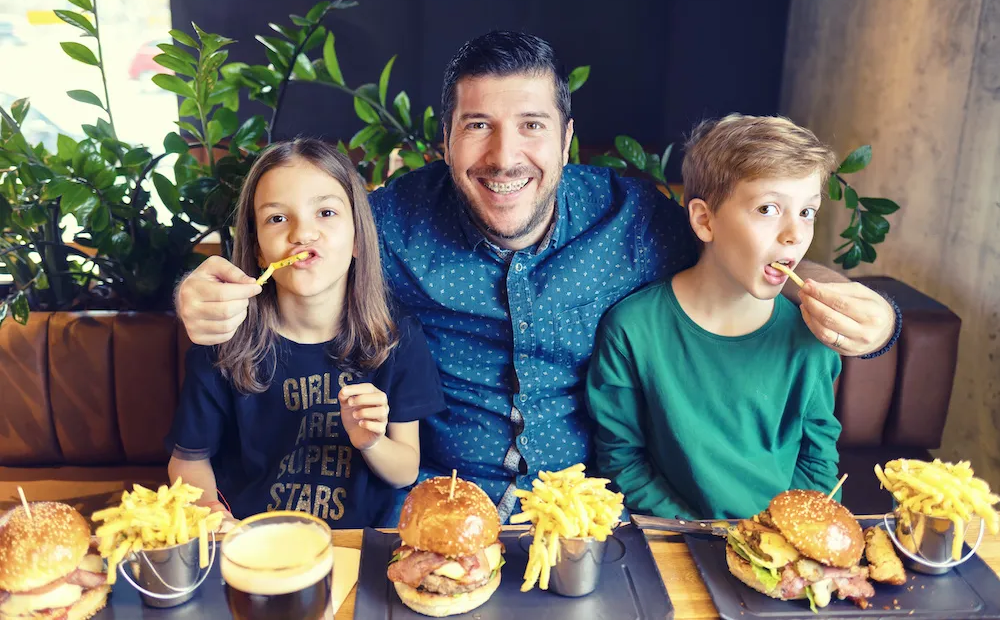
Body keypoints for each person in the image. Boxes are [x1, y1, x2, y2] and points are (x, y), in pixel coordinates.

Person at [172, 32, 899, 522]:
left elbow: (748, 250)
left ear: (566, 138)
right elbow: (299, 245)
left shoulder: (636, 221)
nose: (504, 154)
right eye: (479, 124)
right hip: (440, 507)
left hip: (592, 514)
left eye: (531, 124)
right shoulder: (385, 223)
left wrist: (873, 312)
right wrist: (193, 291)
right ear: (445, 141)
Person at [166, 138, 445, 529]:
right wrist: (214, 517)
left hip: (354, 545)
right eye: (277, 219)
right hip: (252, 542)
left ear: (358, 240)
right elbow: (187, 461)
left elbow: (405, 470)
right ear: (260, 251)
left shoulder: (397, 338)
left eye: (326, 212)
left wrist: (371, 442)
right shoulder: (223, 343)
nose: (302, 233)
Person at [586, 114, 846, 520]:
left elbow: (817, 463)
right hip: (676, 540)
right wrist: (703, 534)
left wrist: (776, 537)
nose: (795, 234)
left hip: (782, 543)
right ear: (705, 220)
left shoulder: (810, 338)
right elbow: (623, 462)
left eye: (808, 212)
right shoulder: (633, 329)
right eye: (769, 208)